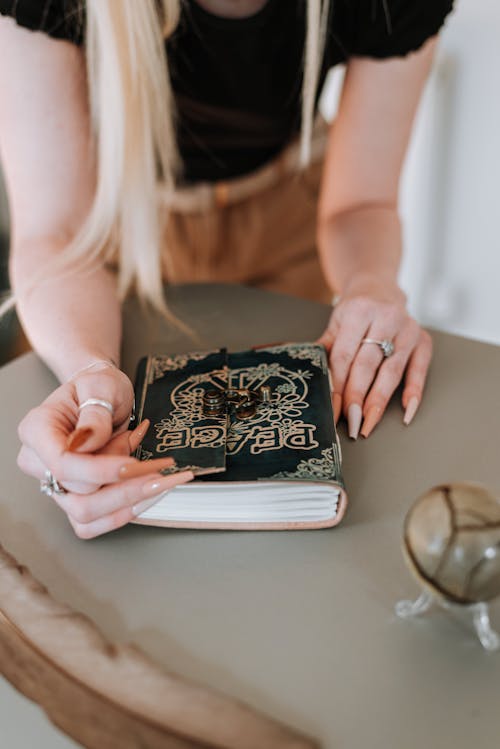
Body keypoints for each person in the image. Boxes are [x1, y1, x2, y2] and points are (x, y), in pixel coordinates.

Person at [0, 0, 454, 538]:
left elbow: (362, 206)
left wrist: (373, 286)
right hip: (116, 226)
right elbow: (57, 234)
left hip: (293, 218)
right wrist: (89, 373)